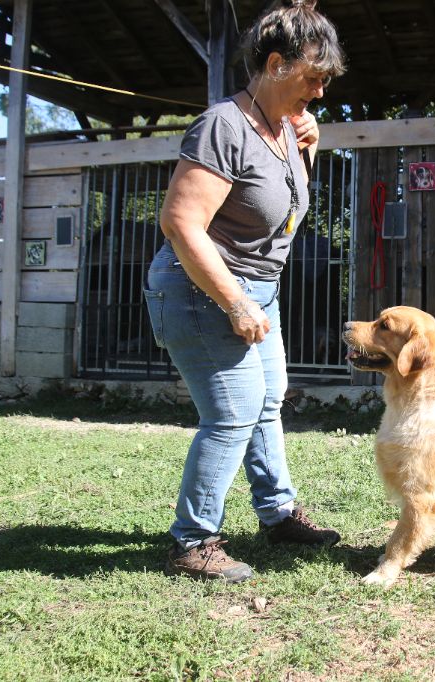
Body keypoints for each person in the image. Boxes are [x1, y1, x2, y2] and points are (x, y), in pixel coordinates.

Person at [144, 0, 346, 583]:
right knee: (232, 412)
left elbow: (280, 199)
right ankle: (193, 542)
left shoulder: (286, 126)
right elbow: (181, 223)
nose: (319, 92)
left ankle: (278, 514)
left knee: (267, 399)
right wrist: (233, 301)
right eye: (312, 78)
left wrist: (311, 140)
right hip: (201, 287)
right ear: (276, 63)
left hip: (260, 287)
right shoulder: (222, 126)